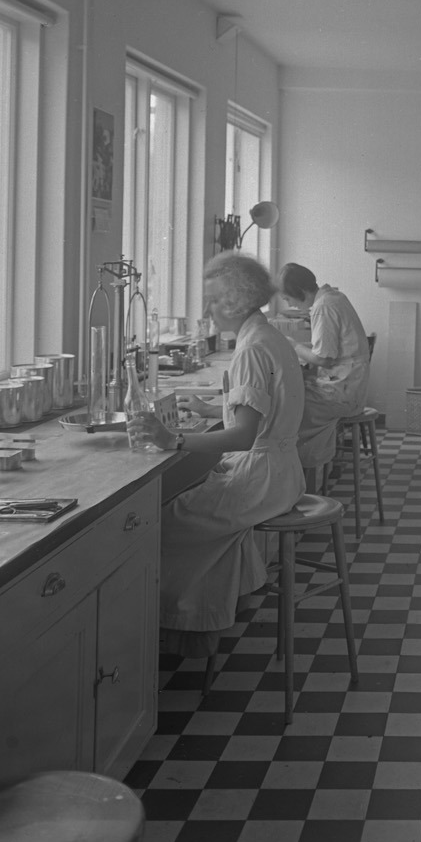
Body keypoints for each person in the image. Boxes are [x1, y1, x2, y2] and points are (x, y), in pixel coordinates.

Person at [127, 252, 305, 651]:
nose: (207, 310)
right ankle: (207, 618)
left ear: (236, 302)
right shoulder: (267, 336)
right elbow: (262, 409)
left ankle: (176, 633)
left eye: (213, 301)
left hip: (260, 479)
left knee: (156, 525)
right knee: (191, 511)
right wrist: (211, 410)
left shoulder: (251, 350)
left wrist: (172, 440)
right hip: (280, 473)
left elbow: (242, 437)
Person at [277, 262, 371, 472]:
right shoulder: (334, 297)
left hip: (343, 392)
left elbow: (324, 359)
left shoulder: (323, 307)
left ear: (301, 292)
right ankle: (308, 470)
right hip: (349, 386)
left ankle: (302, 474)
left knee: (287, 407)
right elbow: (330, 350)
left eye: (289, 298)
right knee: (292, 395)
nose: (290, 304)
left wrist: (293, 345)